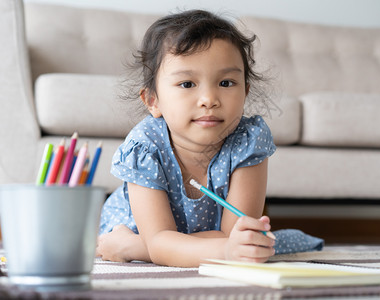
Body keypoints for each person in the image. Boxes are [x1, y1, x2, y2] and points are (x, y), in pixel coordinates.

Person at [96, 9, 322, 268]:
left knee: (256, 244)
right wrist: (225, 251)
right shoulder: (144, 147)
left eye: (226, 83)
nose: (209, 100)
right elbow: (159, 241)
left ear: (245, 92)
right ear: (153, 100)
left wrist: (138, 249)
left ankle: (135, 249)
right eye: (187, 84)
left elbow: (231, 235)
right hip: (132, 233)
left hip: (152, 242)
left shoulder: (247, 142)